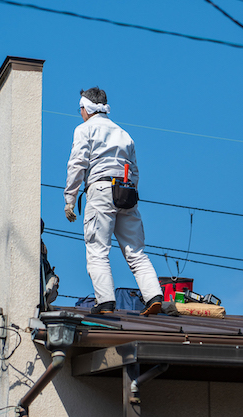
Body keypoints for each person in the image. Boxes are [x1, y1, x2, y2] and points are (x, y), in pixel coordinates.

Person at [64, 87, 163, 315]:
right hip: (126, 191)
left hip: (100, 189)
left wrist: (70, 199)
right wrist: (131, 194)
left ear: (86, 108)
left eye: (80, 109)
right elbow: (135, 170)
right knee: (136, 251)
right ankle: (154, 296)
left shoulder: (84, 129)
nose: (80, 113)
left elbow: (77, 164)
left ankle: (106, 303)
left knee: (98, 250)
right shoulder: (124, 134)